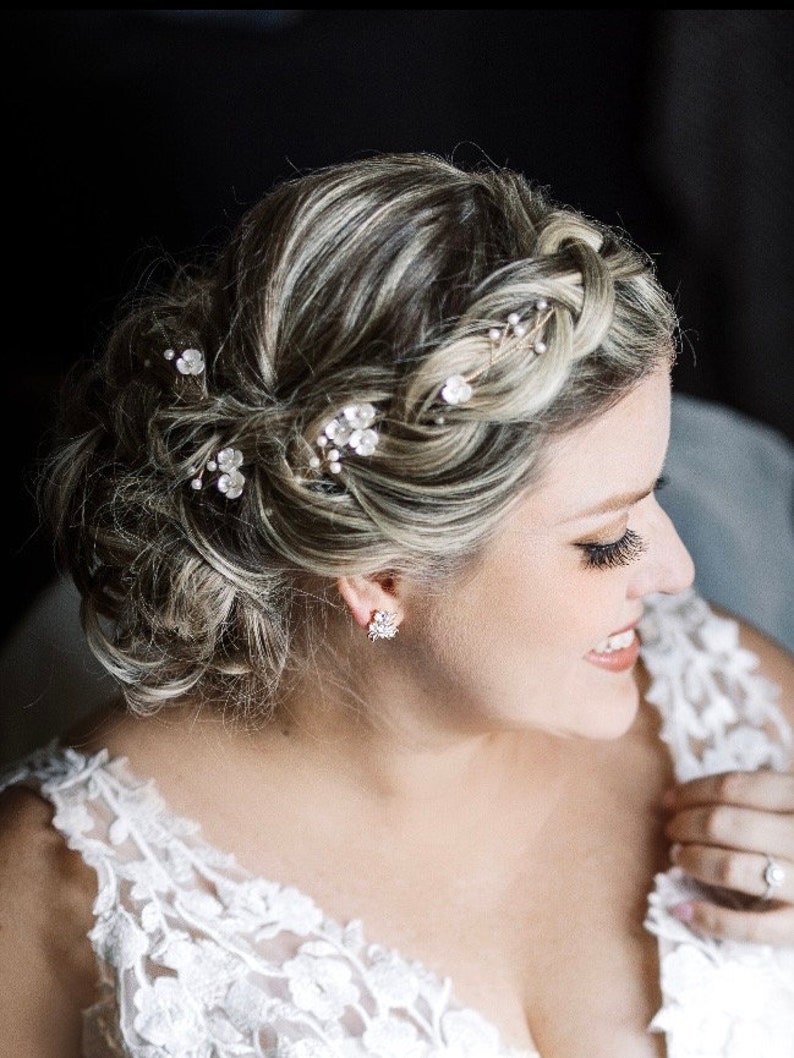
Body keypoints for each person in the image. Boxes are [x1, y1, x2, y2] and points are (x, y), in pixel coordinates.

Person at [0, 151, 792, 1058]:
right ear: (378, 575)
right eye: (603, 540)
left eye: (657, 495)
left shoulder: (730, 699)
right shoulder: (60, 893)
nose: (679, 572)